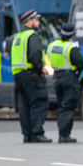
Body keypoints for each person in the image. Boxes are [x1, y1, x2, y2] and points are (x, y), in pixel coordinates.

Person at [10, 9, 51, 143]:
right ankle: (37, 132)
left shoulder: (17, 37)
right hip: (31, 74)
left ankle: (27, 134)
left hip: (18, 75)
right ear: (29, 21)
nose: (38, 22)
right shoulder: (33, 36)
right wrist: (41, 68)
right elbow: (35, 55)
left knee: (24, 105)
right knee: (39, 102)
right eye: (36, 20)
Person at [47, 24, 83, 143]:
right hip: (69, 77)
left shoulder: (52, 46)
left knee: (62, 106)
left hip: (56, 77)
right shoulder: (70, 47)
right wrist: (77, 73)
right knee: (68, 107)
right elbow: (82, 63)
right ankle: (64, 135)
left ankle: (63, 133)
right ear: (72, 35)